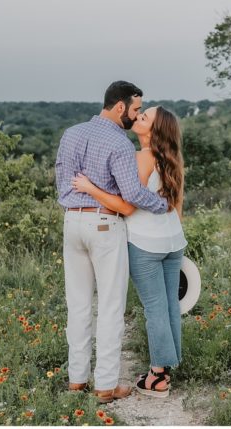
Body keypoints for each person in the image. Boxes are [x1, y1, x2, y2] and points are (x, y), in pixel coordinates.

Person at [54, 81, 169, 404]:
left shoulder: (71, 133)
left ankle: (77, 380)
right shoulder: (119, 143)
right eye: (135, 109)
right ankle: (105, 385)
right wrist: (163, 204)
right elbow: (131, 194)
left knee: (77, 305)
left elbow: (62, 181)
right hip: (104, 224)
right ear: (120, 107)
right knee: (110, 307)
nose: (136, 116)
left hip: (71, 221)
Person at [71, 106, 187, 398]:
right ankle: (164, 368)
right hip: (173, 240)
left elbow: (126, 204)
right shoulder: (173, 159)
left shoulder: (142, 157)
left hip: (145, 243)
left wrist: (89, 187)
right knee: (170, 305)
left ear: (153, 131)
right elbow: (178, 206)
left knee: (155, 308)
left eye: (144, 117)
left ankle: (158, 377)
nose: (138, 118)